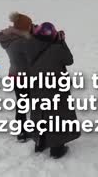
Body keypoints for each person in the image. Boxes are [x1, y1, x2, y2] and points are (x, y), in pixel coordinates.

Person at [25, 22, 80, 159]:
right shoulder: (56, 49)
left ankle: (40, 143)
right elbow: (69, 60)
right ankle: (56, 148)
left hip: (36, 85)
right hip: (54, 87)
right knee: (57, 115)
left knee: (39, 114)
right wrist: (62, 42)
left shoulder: (30, 45)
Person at [0, 12, 33, 142]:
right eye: (29, 26)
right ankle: (28, 130)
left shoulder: (10, 38)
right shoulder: (23, 42)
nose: (31, 27)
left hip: (15, 75)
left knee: (21, 104)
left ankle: (21, 132)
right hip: (26, 77)